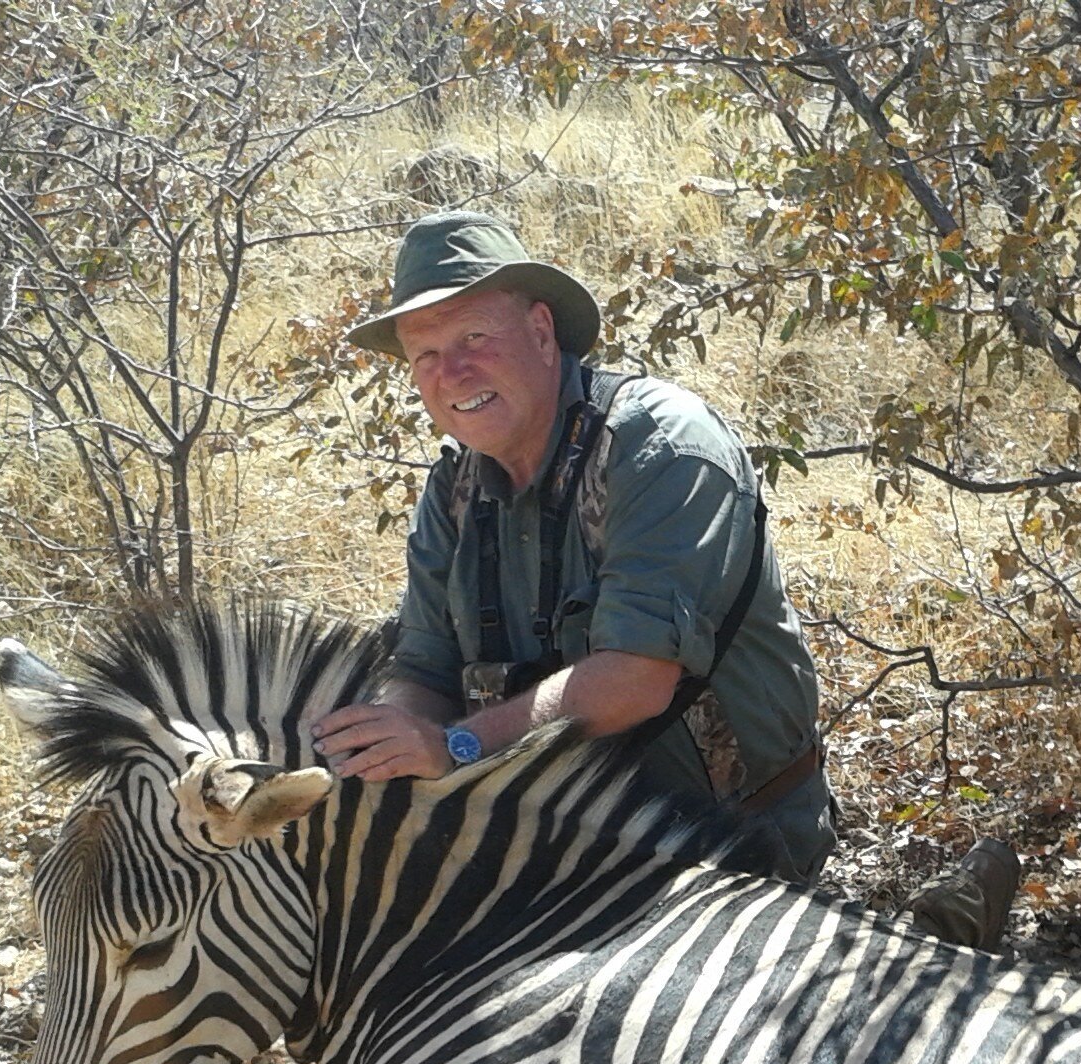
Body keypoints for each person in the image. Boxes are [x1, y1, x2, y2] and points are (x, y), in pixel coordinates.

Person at [311, 211, 836, 883]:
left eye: (474, 337)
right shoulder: (453, 486)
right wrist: (392, 747)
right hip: (551, 842)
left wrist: (457, 747)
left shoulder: (660, 446)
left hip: (727, 847)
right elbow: (422, 670)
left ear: (540, 331)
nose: (455, 372)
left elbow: (636, 680)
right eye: (428, 356)